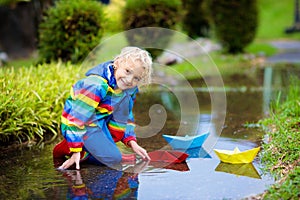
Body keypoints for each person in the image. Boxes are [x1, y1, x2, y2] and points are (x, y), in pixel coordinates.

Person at [53, 46, 152, 170]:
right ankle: (67, 147)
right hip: (82, 121)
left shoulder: (129, 89)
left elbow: (126, 115)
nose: (129, 80)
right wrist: (76, 150)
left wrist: (132, 141)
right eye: (127, 71)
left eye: (136, 78)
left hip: (101, 120)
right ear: (117, 63)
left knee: (110, 156)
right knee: (114, 159)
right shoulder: (96, 85)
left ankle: (93, 149)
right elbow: (76, 118)